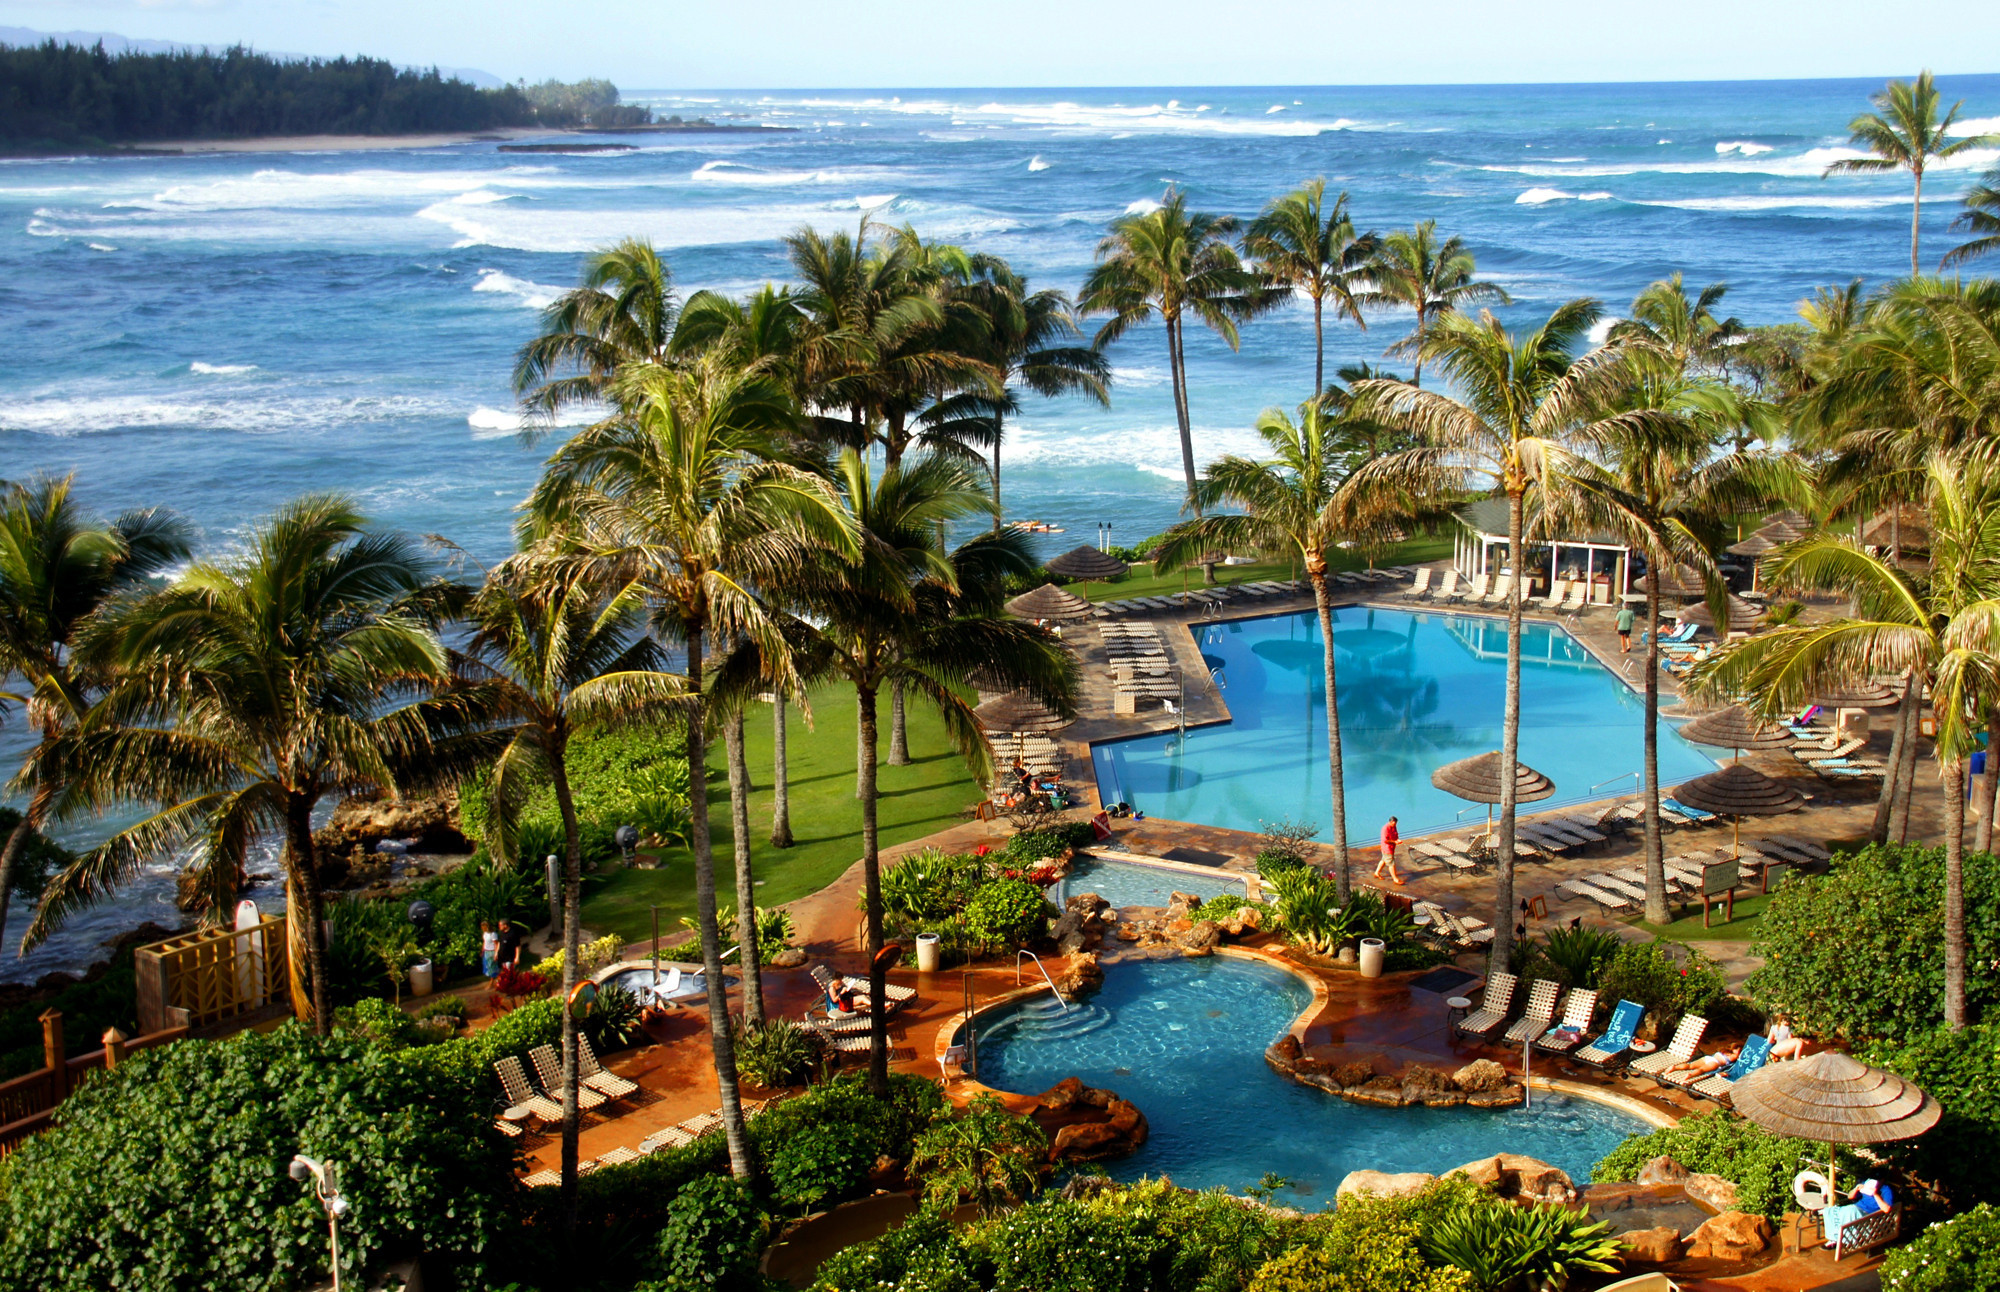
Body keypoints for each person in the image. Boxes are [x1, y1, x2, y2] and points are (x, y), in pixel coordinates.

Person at [1821, 1179, 1893, 1246]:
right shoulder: (1867, 1183)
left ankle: (1840, 1240)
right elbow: (1850, 1197)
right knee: (1830, 1211)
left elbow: (1886, 1209)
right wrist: (1856, 1188)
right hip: (1856, 1207)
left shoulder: (1885, 1190)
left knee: (1849, 1212)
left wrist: (1875, 1194)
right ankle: (1833, 1238)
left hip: (1867, 1214)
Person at [1661, 1043, 1740, 1078]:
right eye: (1739, 1050)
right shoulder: (1732, 1056)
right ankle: (1691, 1075)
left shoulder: (1723, 1051)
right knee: (1701, 1070)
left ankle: (1675, 1067)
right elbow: (1738, 1057)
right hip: (1715, 1063)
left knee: (1690, 1065)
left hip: (1708, 1058)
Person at [1373, 816, 1403, 885]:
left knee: (1383, 860)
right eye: (1394, 823)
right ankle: (1395, 879)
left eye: (1396, 823)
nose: (1395, 825)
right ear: (1390, 822)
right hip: (1387, 848)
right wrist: (1395, 842)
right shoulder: (1385, 829)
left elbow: (1395, 834)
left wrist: (1397, 839)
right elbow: (1385, 840)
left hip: (1392, 847)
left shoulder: (1394, 826)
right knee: (1391, 863)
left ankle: (1377, 873)